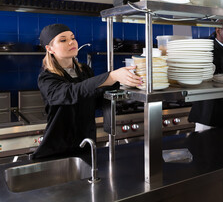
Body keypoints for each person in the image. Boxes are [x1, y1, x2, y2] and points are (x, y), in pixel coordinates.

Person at [31, 24, 142, 159]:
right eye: (63, 40)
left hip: (86, 145)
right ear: (50, 49)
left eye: (73, 38)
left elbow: (94, 98)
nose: (72, 42)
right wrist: (111, 77)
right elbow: (71, 93)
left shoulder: (84, 71)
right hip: (58, 150)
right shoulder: (47, 78)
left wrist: (122, 83)